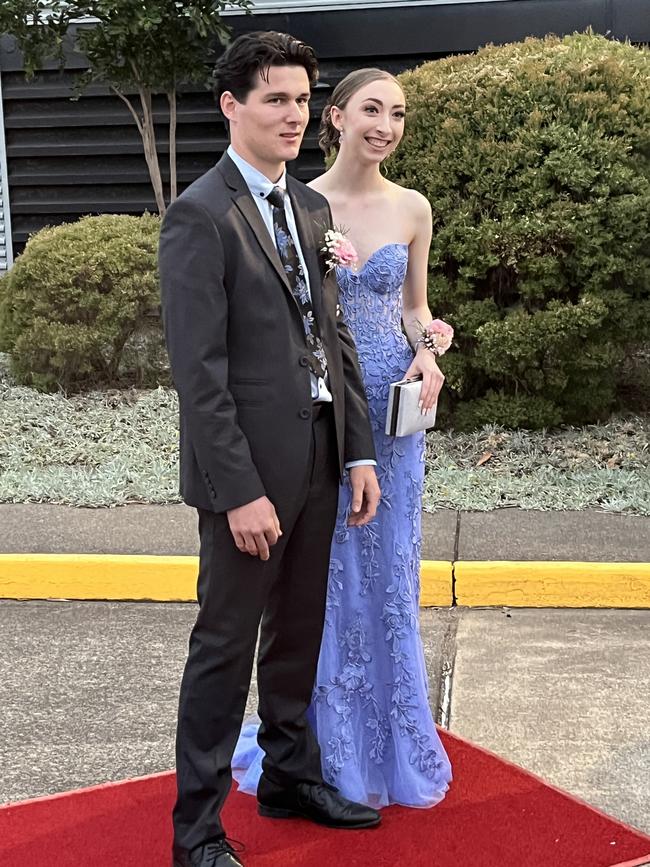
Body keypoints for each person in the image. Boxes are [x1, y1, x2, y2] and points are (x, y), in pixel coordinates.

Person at [159, 34, 382, 867]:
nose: (294, 115)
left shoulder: (314, 209)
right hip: (247, 477)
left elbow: (337, 341)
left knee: (298, 631)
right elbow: (200, 376)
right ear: (232, 107)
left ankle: (290, 774)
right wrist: (238, 489)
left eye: (300, 98)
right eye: (275, 100)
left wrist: (357, 452)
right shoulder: (199, 216)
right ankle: (198, 833)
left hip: (321, 458)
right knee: (224, 645)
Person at [233, 68, 453, 809]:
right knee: (321, 575)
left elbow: (415, 307)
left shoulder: (414, 207)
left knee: (388, 575)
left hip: (395, 418)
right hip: (325, 415)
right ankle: (312, 743)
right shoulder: (302, 205)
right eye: (371, 109)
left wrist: (430, 348)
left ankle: (390, 734)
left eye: (397, 113)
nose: (386, 125)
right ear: (336, 116)